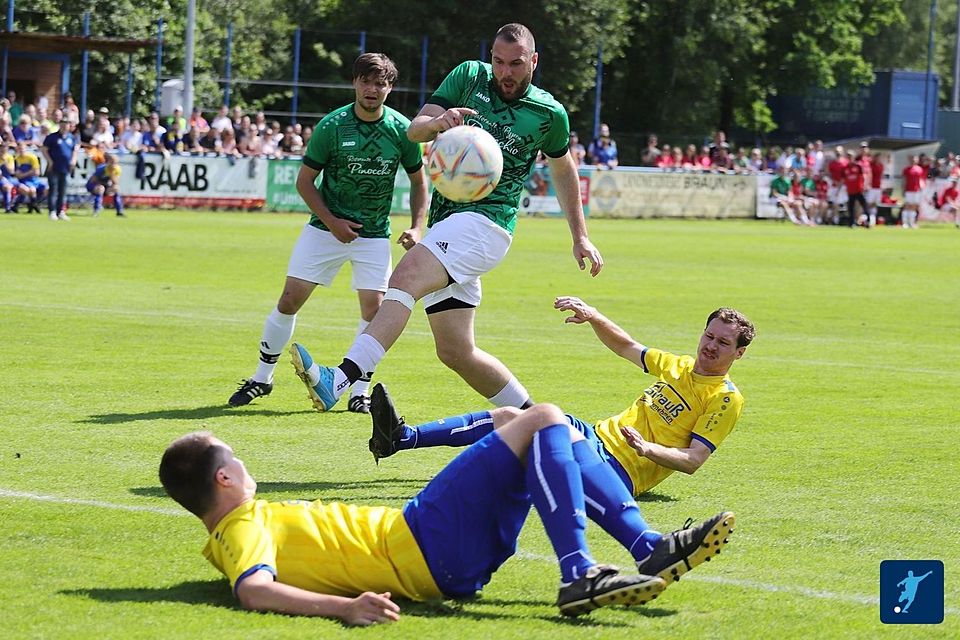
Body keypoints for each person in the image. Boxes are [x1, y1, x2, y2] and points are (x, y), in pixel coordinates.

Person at [159, 411, 736, 621]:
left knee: (521, 418)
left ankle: (647, 548)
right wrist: (346, 608)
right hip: (423, 541)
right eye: (234, 458)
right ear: (223, 480)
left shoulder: (241, 524)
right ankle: (581, 571)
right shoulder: (240, 527)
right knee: (543, 418)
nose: (243, 462)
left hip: (442, 553)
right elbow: (254, 591)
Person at [293, 23, 603, 413]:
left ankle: (338, 379)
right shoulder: (469, 76)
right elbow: (415, 131)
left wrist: (580, 236)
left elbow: (563, 169)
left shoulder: (549, 113)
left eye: (516, 64)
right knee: (456, 350)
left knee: (405, 278)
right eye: (498, 62)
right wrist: (440, 123)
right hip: (448, 223)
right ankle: (536, 420)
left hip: (488, 223)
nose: (505, 72)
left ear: (534, 61)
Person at [369, 299, 754, 502]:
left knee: (528, 451)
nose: (711, 346)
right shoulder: (679, 365)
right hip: (594, 437)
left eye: (723, 343)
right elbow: (627, 346)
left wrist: (646, 448)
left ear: (738, 353)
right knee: (513, 417)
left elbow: (693, 460)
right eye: (709, 336)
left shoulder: (725, 399)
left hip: (619, 470)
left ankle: (438, 481)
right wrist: (594, 316)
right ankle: (401, 438)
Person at [228, 53, 429, 412]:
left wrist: (416, 225)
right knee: (289, 300)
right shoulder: (332, 126)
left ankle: (358, 391)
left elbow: (419, 182)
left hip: (373, 235)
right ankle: (262, 378)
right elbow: (305, 182)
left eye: (380, 83)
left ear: (390, 88)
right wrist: (333, 221)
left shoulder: (403, 130)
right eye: (366, 81)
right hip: (324, 229)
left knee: (375, 310)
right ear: (354, 83)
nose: (372, 89)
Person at [41, 116, 78, 221]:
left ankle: (60, 211)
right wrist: (50, 161)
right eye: (63, 124)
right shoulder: (52, 137)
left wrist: (73, 161)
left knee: (63, 191)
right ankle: (52, 211)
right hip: (54, 167)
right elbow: (44, 149)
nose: (64, 126)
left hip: (65, 168)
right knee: (53, 189)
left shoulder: (71, 138)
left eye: (66, 124)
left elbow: (74, 150)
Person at [85, 153, 125, 217]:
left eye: (115, 163)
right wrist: (104, 183)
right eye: (112, 162)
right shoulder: (101, 168)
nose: (113, 165)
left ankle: (119, 211)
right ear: (108, 162)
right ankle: (96, 210)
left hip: (105, 186)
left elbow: (116, 182)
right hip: (93, 186)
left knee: (116, 188)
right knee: (101, 188)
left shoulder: (117, 169)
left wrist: (112, 175)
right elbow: (93, 180)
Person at [13, 140, 46, 213]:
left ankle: (34, 204)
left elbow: (37, 172)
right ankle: (34, 206)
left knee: (47, 189)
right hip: (24, 181)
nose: (21, 150)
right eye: (19, 148)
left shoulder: (32, 157)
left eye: (22, 148)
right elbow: (18, 175)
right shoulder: (17, 159)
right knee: (32, 190)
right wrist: (30, 172)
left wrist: (24, 174)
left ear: (25, 148)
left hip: (34, 179)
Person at [901, 155, 925, 229]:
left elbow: (920, 180)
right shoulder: (906, 169)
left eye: (915, 159)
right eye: (913, 159)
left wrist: (922, 187)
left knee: (914, 207)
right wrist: (903, 189)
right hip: (908, 190)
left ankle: (911, 222)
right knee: (907, 206)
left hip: (916, 190)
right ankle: (905, 223)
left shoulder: (920, 169)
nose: (914, 161)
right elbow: (904, 180)